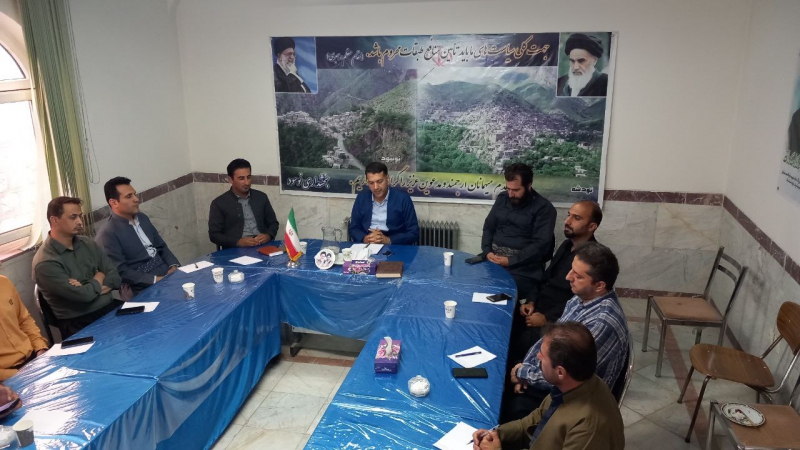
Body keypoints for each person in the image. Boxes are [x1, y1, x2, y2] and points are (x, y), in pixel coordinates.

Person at [504, 242, 628, 422]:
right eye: (571, 270)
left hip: (572, 402)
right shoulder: (581, 298)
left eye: (578, 276)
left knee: (506, 402)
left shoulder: (600, 323)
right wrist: (525, 368)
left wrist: (523, 374)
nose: (568, 277)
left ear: (599, 285)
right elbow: (548, 341)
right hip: (552, 376)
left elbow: (567, 377)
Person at [473, 322, 624, 450]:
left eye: (542, 355)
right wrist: (496, 434)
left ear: (560, 372)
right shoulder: (571, 385)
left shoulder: (588, 428)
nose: (538, 357)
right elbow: (534, 421)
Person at [509, 201, 603, 363]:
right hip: (536, 309)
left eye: (576, 218)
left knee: (514, 346)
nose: (567, 221)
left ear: (592, 226)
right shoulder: (567, 245)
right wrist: (531, 301)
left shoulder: (592, 257)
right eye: (568, 215)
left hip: (556, 322)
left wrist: (546, 318)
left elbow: (580, 301)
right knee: (503, 322)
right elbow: (545, 278)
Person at [32, 197, 122, 339]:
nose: (80, 222)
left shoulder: (87, 243)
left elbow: (115, 278)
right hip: (79, 323)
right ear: (54, 220)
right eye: (73, 217)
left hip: (110, 308)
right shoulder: (45, 262)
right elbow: (83, 296)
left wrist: (88, 287)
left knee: (147, 325)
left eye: (80, 216)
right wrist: (99, 275)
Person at [481, 163, 556, 302]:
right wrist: (487, 252)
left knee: (495, 296)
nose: (510, 194)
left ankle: (513, 315)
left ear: (529, 186)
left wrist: (510, 261)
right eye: (508, 189)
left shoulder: (544, 208)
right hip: (493, 260)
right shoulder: (502, 198)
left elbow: (541, 245)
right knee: (470, 283)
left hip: (524, 270)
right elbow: (489, 227)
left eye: (516, 190)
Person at [95, 177, 180, 296]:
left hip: (165, 272)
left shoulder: (142, 218)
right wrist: (156, 280)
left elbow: (161, 246)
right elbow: (121, 271)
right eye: (129, 196)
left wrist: (173, 266)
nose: (136, 199)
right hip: (139, 286)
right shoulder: (108, 233)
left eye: (135, 194)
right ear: (114, 203)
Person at [209, 159, 280, 250]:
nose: (247, 182)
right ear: (230, 179)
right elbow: (214, 235)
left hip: (263, 246)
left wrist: (268, 235)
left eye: (249, 177)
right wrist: (238, 242)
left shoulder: (261, 197)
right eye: (241, 178)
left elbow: (273, 223)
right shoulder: (219, 203)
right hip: (235, 250)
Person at [349, 162, 419, 245]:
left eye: (379, 181)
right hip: (367, 244)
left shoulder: (403, 199)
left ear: (387, 179)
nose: (376, 187)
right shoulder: (361, 198)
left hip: (394, 245)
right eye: (371, 183)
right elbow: (353, 228)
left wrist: (388, 240)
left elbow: (413, 233)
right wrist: (365, 238)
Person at [0, 276, 48, 381]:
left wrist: (40, 348)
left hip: (33, 358)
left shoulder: (4, 282)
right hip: (7, 376)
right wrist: (14, 374)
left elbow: (24, 320)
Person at [557, 33, 608, 97]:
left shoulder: (605, 82)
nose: (575, 67)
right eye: (572, 61)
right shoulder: (560, 82)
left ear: (594, 61)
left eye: (581, 61)